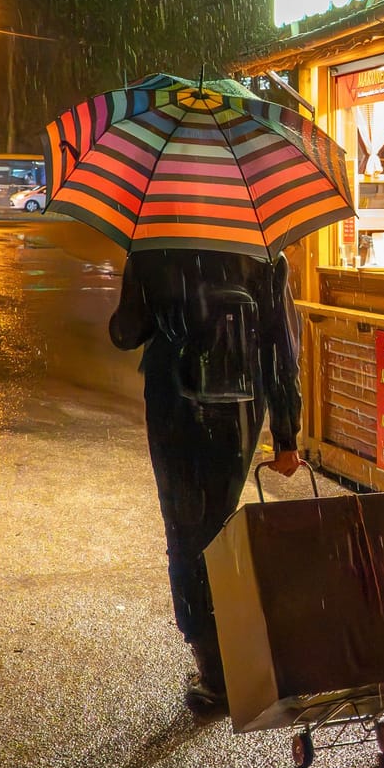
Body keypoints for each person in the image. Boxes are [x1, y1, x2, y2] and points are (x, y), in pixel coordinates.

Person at [110, 248, 304, 710]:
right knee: (219, 528)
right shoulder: (263, 254)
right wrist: (286, 434)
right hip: (238, 408)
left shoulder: (153, 250)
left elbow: (125, 332)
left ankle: (212, 665)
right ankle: (238, 650)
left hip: (174, 409)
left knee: (185, 533)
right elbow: (281, 344)